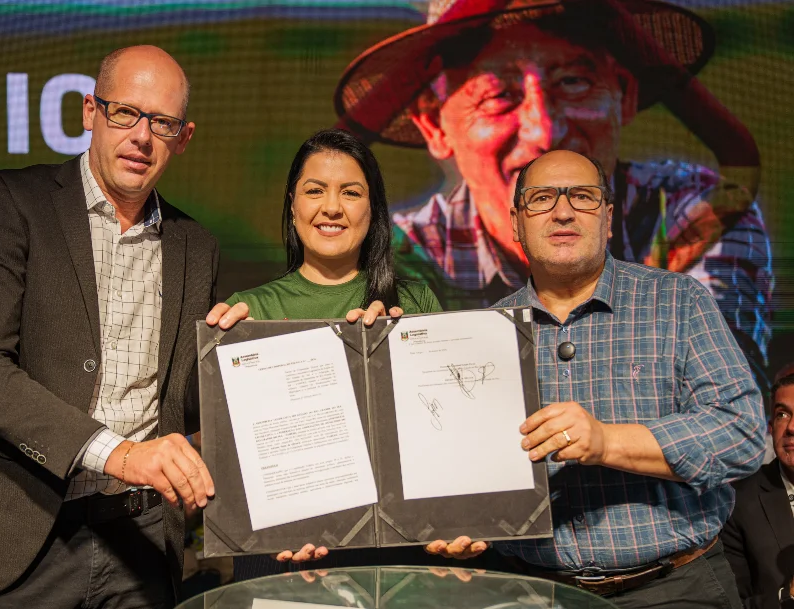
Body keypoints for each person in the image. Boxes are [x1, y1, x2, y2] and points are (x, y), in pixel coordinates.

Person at [0, 46, 218, 608]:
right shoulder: (8, 201)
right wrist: (119, 455)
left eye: (162, 122)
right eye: (125, 113)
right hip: (13, 532)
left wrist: (238, 349)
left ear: (183, 137)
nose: (142, 136)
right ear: (90, 111)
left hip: (138, 544)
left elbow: (187, 403)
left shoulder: (197, 246)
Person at [333, 0, 773, 393]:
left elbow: (723, 406)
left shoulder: (692, 212)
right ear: (433, 125)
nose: (544, 131)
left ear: (625, 92)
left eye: (575, 82)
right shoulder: (403, 254)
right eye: (499, 96)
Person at [423, 149, 764, 607]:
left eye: (582, 197)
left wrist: (607, 441)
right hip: (530, 591)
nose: (562, 211)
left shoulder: (678, 300)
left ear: (607, 218)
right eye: (542, 198)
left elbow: (741, 433)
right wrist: (457, 521)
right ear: (516, 222)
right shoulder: (478, 334)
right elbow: (459, 469)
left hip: (675, 588)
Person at [206, 128, 445, 580]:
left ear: (372, 208)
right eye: (315, 190)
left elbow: (441, 439)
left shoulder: (413, 305)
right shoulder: (249, 312)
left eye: (350, 192)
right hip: (282, 552)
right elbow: (229, 459)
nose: (331, 207)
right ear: (292, 204)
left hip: (394, 555)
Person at [722, 371, 794, 609]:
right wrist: (787, 596)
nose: (791, 427)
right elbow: (730, 603)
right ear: (771, 428)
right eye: (783, 415)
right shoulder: (739, 501)